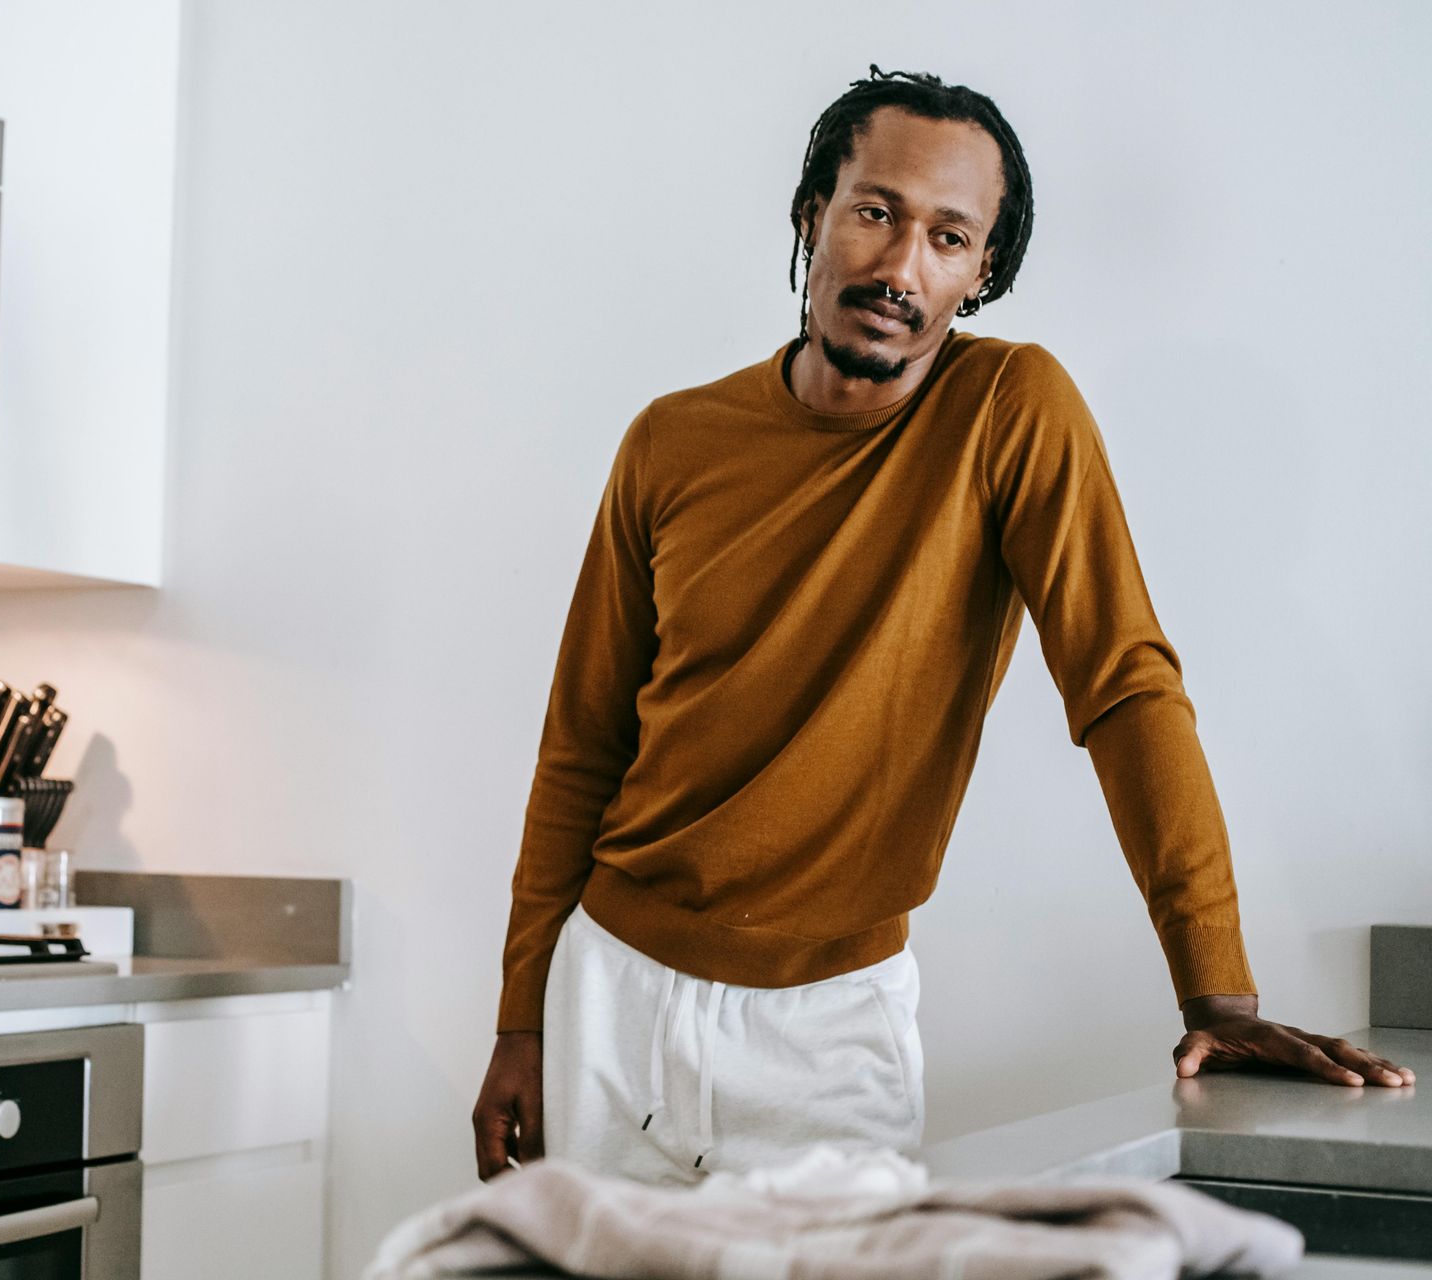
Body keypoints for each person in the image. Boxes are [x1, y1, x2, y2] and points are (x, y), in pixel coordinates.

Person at [472, 66, 1414, 1186]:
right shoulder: (668, 442)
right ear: (813, 213)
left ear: (981, 274)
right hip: (609, 992)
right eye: (875, 210)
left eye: (950, 236)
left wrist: (1218, 990)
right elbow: (582, 743)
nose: (900, 264)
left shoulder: (1010, 411)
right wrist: (522, 1017)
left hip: (828, 1029)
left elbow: (1123, 687)